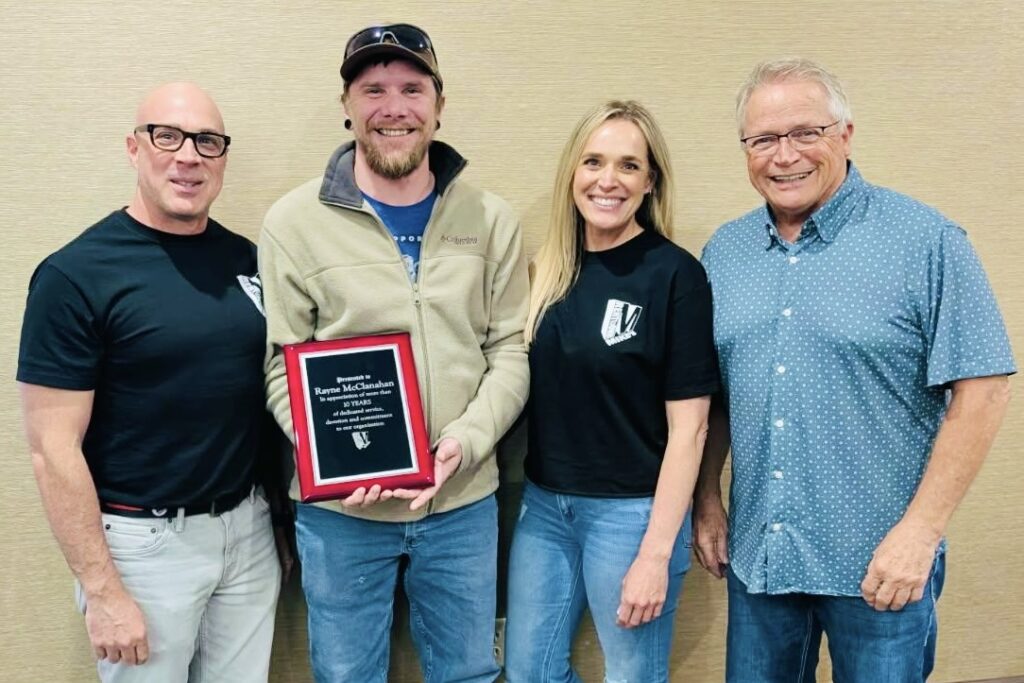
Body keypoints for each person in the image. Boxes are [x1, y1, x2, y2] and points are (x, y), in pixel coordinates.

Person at [695, 57, 1015, 682]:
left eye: (805, 133)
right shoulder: (725, 253)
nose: (784, 156)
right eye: (763, 139)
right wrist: (707, 497)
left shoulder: (925, 240)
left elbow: (983, 391)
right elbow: (717, 396)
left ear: (844, 134)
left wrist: (921, 534)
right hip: (762, 554)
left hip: (880, 565)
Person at [259, 23, 529, 682]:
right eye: (373, 88)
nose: (393, 107)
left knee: (469, 672)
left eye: (412, 88)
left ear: (439, 104)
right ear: (347, 106)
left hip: (462, 502)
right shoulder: (292, 224)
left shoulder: (491, 219)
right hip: (341, 517)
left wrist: (465, 440)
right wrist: (334, 456)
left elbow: (511, 349)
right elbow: (279, 366)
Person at [17, 82, 284, 682]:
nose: (188, 156)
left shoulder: (249, 261)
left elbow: (266, 393)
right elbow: (50, 450)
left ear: (222, 159)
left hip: (247, 533)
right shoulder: (76, 275)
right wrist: (103, 590)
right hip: (142, 549)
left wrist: (279, 522)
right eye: (168, 136)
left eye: (207, 142)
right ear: (134, 148)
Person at [504, 100, 719, 682]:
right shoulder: (545, 272)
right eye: (593, 161)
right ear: (571, 173)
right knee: (530, 672)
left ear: (650, 182)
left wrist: (654, 553)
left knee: (631, 676)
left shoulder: (676, 275)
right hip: (545, 510)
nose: (607, 180)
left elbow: (691, 429)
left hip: (632, 515)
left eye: (628, 165)